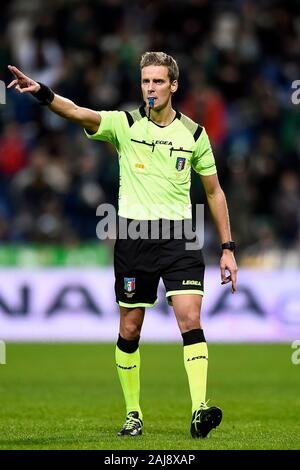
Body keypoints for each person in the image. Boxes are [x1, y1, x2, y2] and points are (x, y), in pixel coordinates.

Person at [7, 51, 237, 439]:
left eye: (158, 81)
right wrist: (42, 93)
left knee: (190, 317)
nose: (150, 88)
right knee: (130, 328)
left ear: (173, 86)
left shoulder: (195, 135)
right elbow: (78, 111)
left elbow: (214, 192)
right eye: (145, 81)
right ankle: (134, 414)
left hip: (180, 236)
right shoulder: (124, 124)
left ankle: (199, 409)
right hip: (134, 237)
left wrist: (228, 246)